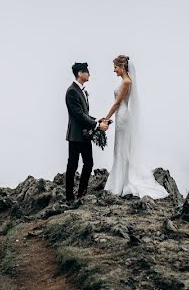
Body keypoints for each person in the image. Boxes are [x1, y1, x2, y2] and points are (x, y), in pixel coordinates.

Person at [103, 55, 169, 199]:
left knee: (122, 148)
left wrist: (106, 119)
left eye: (115, 67)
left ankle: (122, 182)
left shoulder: (126, 82)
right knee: (120, 147)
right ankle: (119, 180)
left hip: (122, 115)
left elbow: (117, 103)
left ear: (122, 67)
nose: (114, 71)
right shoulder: (125, 81)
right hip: (122, 114)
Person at [64, 62, 110, 206]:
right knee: (72, 166)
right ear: (79, 73)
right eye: (87, 71)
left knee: (88, 163)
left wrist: (97, 120)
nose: (89, 74)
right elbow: (78, 115)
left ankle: (81, 194)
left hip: (84, 135)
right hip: (75, 136)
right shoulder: (72, 91)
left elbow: (85, 114)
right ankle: (69, 198)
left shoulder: (81, 90)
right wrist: (97, 125)